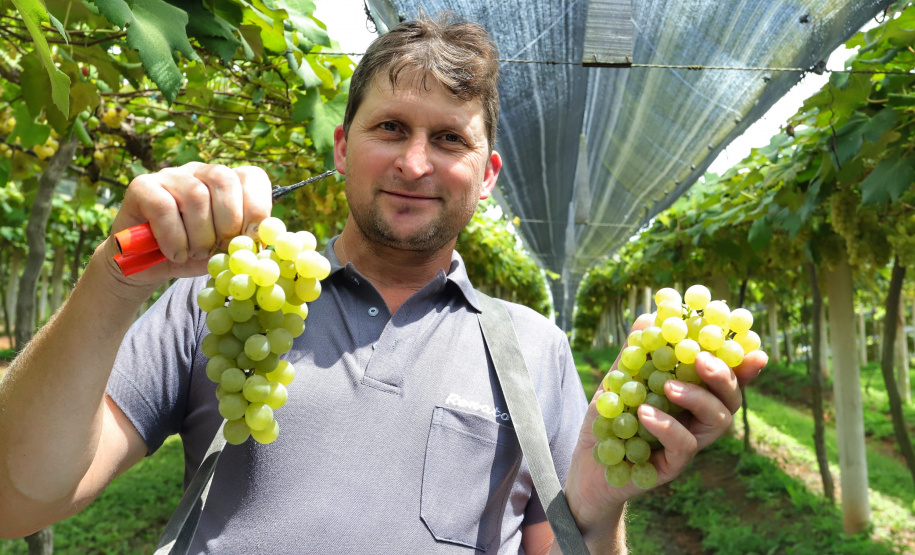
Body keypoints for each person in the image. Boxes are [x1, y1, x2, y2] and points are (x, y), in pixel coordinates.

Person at [0, 13, 765, 554]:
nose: (414, 163)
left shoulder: (535, 348)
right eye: (390, 128)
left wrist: (595, 509)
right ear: (341, 147)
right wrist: (112, 282)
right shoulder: (220, 298)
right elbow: (17, 498)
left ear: (488, 174)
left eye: (449, 138)